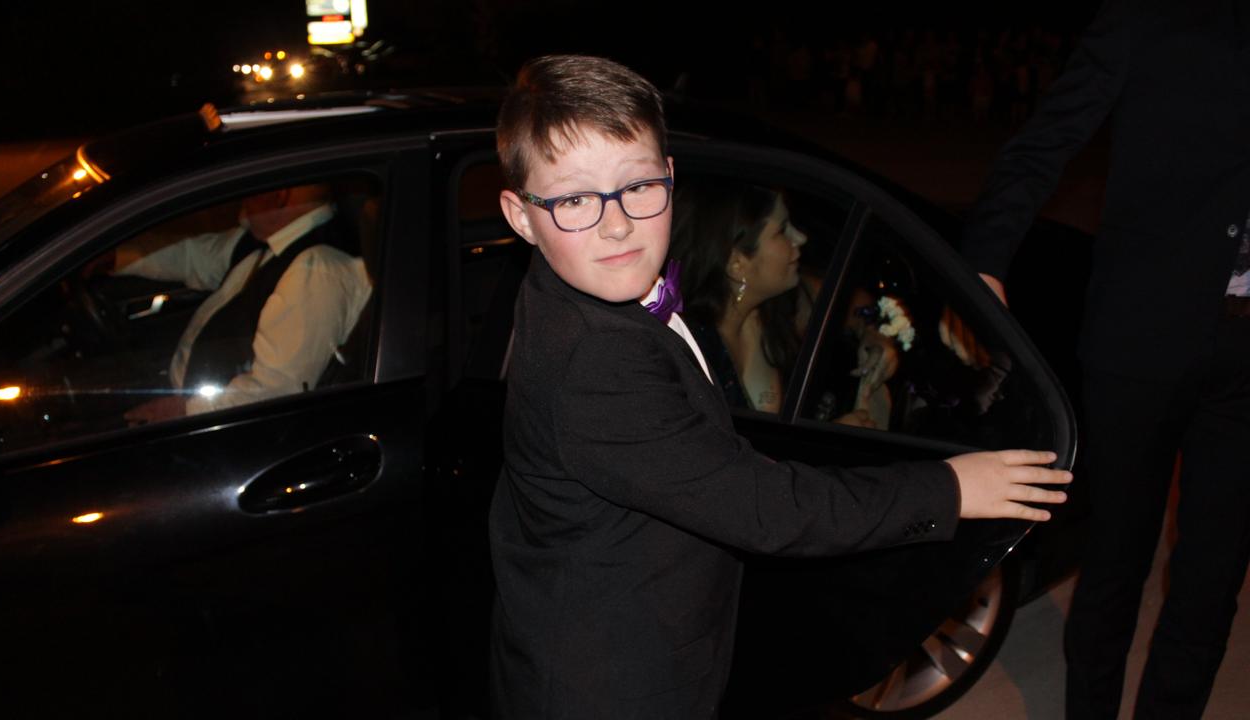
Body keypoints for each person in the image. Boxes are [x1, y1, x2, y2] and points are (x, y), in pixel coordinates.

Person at [490, 54, 1070, 719]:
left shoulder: (587, 291)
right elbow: (766, 510)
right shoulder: (593, 367)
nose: (616, 222)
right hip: (614, 686)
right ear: (521, 216)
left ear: (671, 177)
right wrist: (952, 486)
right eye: (573, 200)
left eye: (637, 186)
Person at [960, 1, 1250, 717]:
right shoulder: (1149, 17)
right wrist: (986, 259)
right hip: (1141, 337)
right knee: (1115, 563)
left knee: (1213, 579)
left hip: (1249, 358)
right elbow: (1046, 141)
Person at [108, 183, 372, 422]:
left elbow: (274, 390)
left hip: (213, 425)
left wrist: (181, 412)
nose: (241, 199)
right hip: (188, 397)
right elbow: (191, 257)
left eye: (251, 189)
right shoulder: (266, 242)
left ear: (277, 196)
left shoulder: (316, 272)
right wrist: (112, 257)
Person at [667, 178, 897, 427]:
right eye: (782, 230)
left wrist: (873, 336)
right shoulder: (688, 349)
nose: (800, 238)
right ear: (737, 263)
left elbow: (858, 306)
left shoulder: (784, 303)